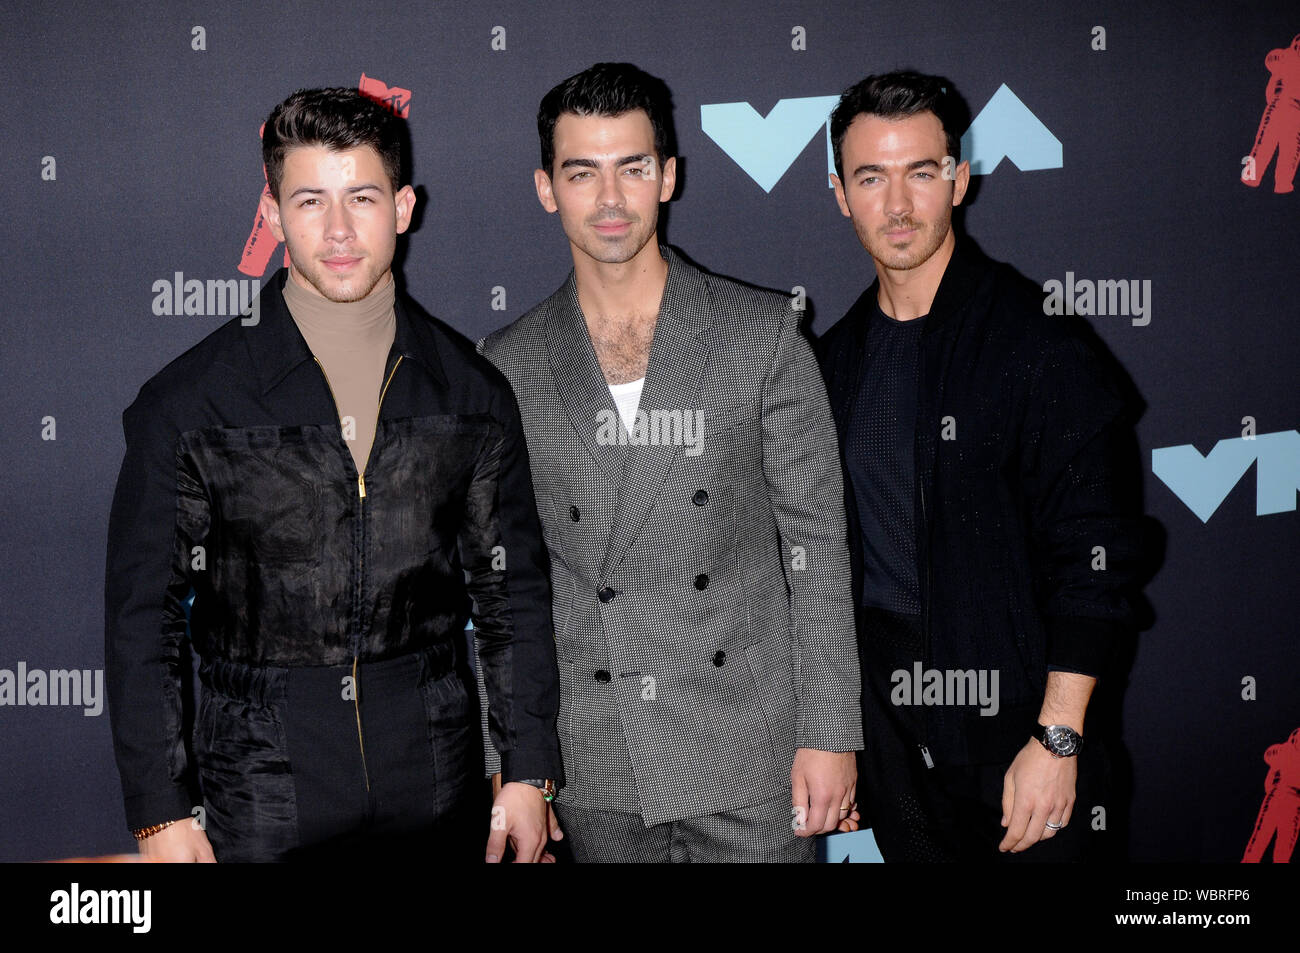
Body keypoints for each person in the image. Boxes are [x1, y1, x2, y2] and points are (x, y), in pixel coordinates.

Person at [104, 86, 561, 863]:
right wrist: (160, 811)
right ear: (273, 213)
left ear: (405, 207)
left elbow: (510, 592)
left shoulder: (471, 390)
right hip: (260, 795)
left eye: (364, 197)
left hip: (438, 789)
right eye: (311, 199)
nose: (341, 230)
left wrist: (528, 771)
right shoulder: (187, 402)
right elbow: (143, 619)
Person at [477, 62, 862, 863]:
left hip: (750, 751)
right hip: (597, 758)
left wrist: (830, 731)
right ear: (547, 188)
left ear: (669, 176)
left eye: (633, 167)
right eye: (582, 172)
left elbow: (817, 547)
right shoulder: (506, 363)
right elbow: (502, 583)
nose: (610, 198)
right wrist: (514, 766)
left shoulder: (760, 334)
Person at [816, 71, 1144, 861]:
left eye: (920, 172)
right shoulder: (830, 363)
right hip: (895, 738)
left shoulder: (1041, 346)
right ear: (839, 194)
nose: (898, 204)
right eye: (872, 177)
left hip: (1023, 735)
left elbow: (1096, 560)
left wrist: (1057, 739)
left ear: (958, 180)